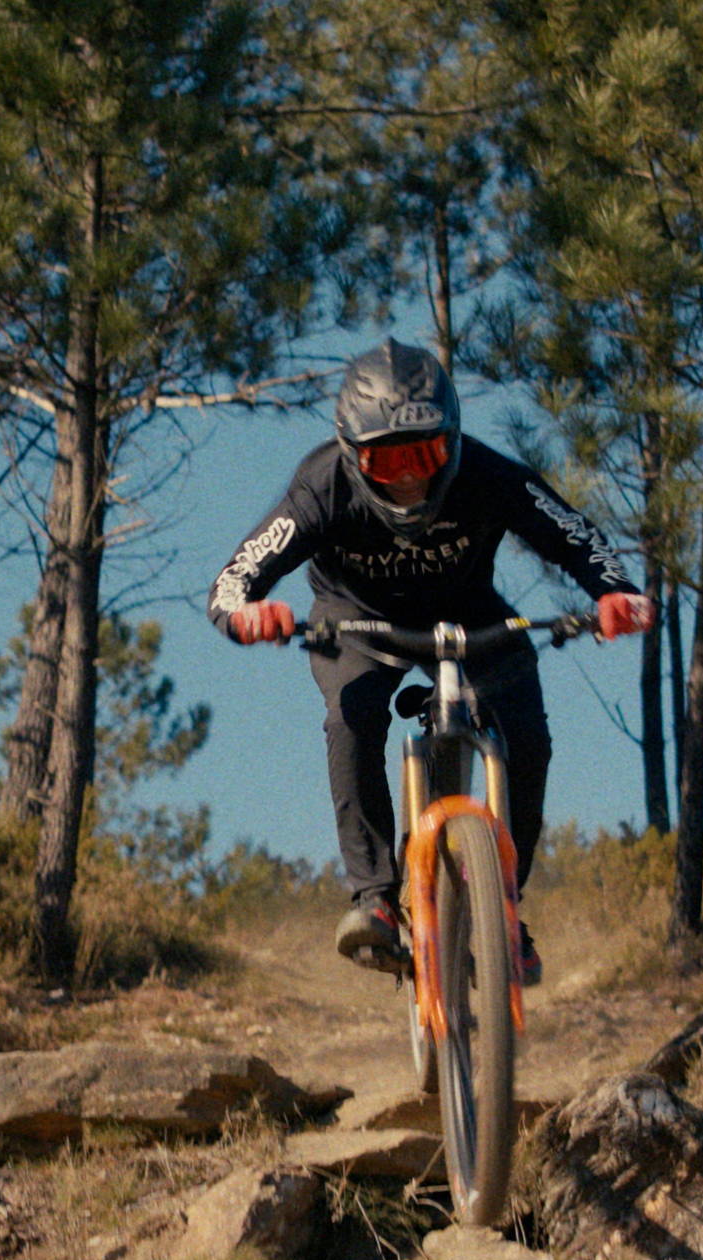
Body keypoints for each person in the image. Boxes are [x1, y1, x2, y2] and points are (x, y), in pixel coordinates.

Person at [205, 339, 652, 985]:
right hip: (357, 623)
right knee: (352, 717)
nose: (409, 476)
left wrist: (614, 594)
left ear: (454, 441)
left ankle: (502, 905)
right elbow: (233, 581)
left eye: (424, 454)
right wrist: (250, 614)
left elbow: (576, 537)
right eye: (387, 459)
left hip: (471, 619)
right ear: (352, 452)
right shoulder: (322, 484)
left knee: (528, 739)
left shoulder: (491, 476)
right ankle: (375, 900)